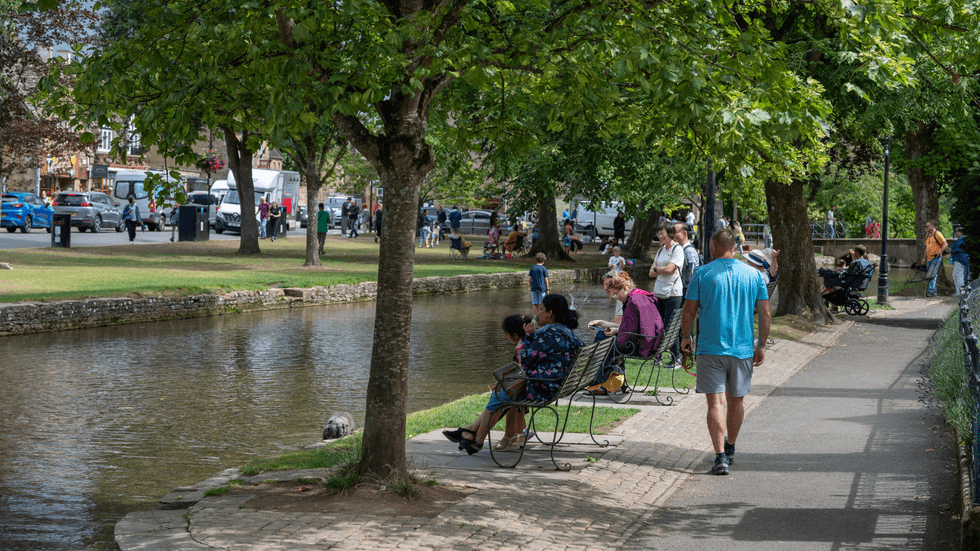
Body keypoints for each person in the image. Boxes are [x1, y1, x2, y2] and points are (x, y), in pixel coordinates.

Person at [442, 295, 583, 454]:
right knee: (503, 389)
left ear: (549, 313)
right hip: (558, 383)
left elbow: (527, 360)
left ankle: (476, 437)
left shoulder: (547, 333)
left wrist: (529, 336)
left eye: (541, 310)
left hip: (543, 387)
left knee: (501, 393)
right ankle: (471, 433)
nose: (537, 314)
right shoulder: (566, 331)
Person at [680, 229, 770, 476]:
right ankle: (730, 447)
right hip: (742, 349)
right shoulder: (754, 275)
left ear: (713, 247)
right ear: (734, 246)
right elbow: (765, 313)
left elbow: (688, 311)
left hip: (710, 348)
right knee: (736, 401)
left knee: (715, 403)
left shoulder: (702, 273)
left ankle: (719, 456)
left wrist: (686, 337)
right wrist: (760, 344)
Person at [586, 271, 664, 395]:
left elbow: (627, 333)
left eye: (616, 295)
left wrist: (615, 333)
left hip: (642, 346)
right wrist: (601, 323)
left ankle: (600, 383)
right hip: (651, 341)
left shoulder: (632, 301)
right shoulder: (639, 295)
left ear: (623, 288)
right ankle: (609, 381)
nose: (616, 298)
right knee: (603, 336)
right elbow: (629, 328)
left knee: (603, 345)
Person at [650, 223, 685, 369]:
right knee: (658, 326)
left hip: (673, 293)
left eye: (662, 233)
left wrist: (658, 268)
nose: (659, 236)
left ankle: (676, 358)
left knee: (671, 326)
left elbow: (670, 269)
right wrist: (659, 269)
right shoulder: (660, 251)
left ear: (670, 233)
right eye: (658, 233)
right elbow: (650, 273)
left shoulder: (678, 250)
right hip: (659, 292)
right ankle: (658, 357)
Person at [921, 220, 947, 297]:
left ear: (932, 226)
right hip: (929, 259)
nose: (926, 228)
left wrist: (940, 251)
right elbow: (927, 248)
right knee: (931, 275)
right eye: (925, 226)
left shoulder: (937, 234)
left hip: (936, 258)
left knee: (933, 274)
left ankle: (931, 291)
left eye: (927, 226)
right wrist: (924, 258)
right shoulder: (927, 236)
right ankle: (933, 292)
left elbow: (945, 243)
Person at [674, 223, 700, 297]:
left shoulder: (688, 250)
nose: (673, 235)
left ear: (685, 233)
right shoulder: (680, 249)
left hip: (687, 289)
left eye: (676, 232)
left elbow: (691, 271)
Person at [950, 227, 969, 297]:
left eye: (957, 231)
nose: (956, 232)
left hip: (960, 260)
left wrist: (951, 251)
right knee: (956, 275)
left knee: (958, 275)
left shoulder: (961, 240)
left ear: (960, 232)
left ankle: (960, 292)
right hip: (962, 259)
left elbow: (957, 249)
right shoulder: (963, 240)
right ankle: (960, 291)